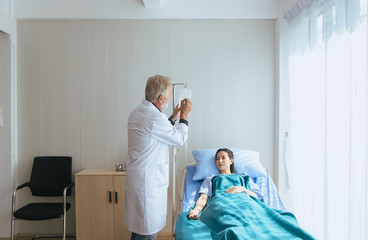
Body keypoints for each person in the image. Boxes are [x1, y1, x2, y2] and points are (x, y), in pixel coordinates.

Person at [125, 75, 193, 240]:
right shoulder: (154, 117)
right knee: (146, 232)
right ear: (161, 98)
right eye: (169, 95)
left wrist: (174, 116)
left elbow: (156, 133)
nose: (170, 98)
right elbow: (179, 138)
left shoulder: (138, 112)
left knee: (141, 229)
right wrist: (184, 115)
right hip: (148, 182)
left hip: (140, 178)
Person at [189, 148, 263, 220]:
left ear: (231, 161)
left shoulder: (243, 178)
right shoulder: (211, 179)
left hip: (243, 203)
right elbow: (203, 198)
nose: (220, 161)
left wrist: (243, 189)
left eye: (223, 158)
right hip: (221, 204)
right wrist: (196, 210)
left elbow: (257, 196)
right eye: (217, 159)